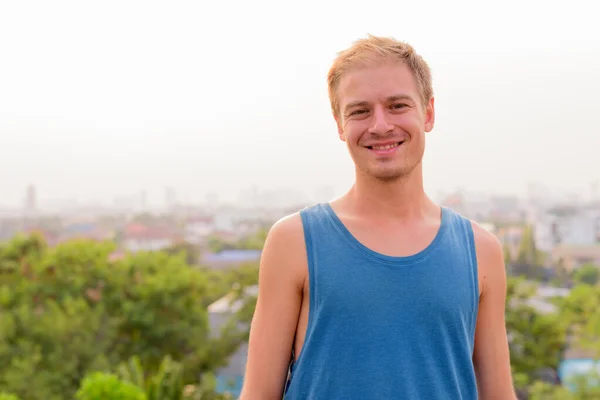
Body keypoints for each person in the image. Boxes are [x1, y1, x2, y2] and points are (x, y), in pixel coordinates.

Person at [239, 34, 516, 399]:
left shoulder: (481, 251)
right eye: (360, 111)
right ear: (339, 124)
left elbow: (499, 394)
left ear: (428, 113)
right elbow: (258, 394)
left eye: (398, 105)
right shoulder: (294, 242)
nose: (380, 125)